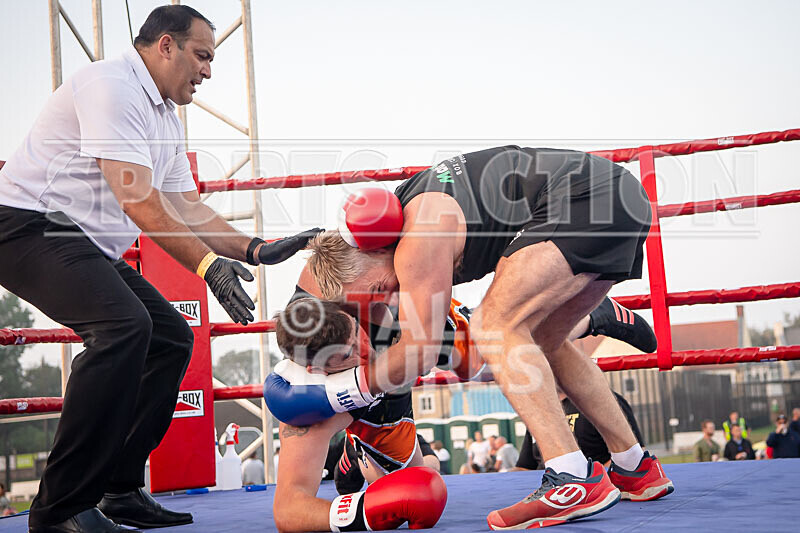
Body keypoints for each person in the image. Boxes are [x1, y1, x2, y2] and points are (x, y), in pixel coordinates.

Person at [0, 6, 318, 532]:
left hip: (81, 242)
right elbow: (138, 197)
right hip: (27, 226)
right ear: (165, 45)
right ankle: (57, 509)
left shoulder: (165, 118)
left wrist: (258, 249)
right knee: (124, 328)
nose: (208, 71)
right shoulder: (111, 85)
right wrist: (209, 266)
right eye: (202, 56)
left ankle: (119, 488)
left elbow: (185, 207)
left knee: (169, 337)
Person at [272, 146, 673, 528]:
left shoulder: (414, 245)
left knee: (493, 327)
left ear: (373, 251)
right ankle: (634, 465)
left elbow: (421, 352)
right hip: (612, 197)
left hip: (584, 200)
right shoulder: (376, 256)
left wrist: (347, 389)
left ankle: (572, 476)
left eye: (378, 291)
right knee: (542, 342)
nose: (389, 299)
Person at [268, 298, 447, 532]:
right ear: (317, 369)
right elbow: (288, 511)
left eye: (355, 331)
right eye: (345, 355)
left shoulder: (365, 305)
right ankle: (357, 453)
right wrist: (367, 511)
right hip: (374, 425)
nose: (364, 350)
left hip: (397, 418)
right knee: (423, 482)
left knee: (426, 467)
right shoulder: (312, 412)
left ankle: (356, 450)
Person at [516, 390, 645, 470]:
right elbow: (524, 467)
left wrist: (597, 479)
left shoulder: (603, 402)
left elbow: (633, 455)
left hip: (589, 484)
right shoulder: (539, 410)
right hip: (544, 483)